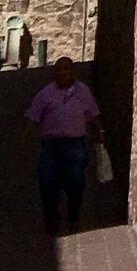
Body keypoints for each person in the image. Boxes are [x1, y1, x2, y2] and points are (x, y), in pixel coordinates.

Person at [23, 57, 102, 233]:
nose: (62, 72)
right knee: (48, 182)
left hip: (75, 144)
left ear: (72, 71)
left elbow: (92, 113)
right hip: (51, 145)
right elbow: (33, 116)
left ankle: (73, 214)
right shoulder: (45, 94)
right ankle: (51, 217)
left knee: (76, 182)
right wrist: (24, 140)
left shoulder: (82, 92)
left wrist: (100, 132)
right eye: (58, 69)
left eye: (65, 69)